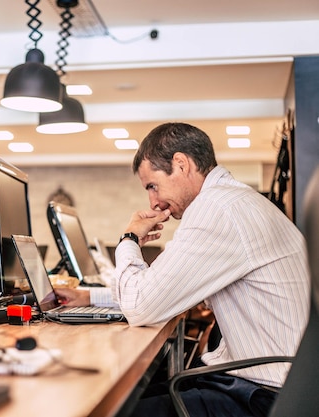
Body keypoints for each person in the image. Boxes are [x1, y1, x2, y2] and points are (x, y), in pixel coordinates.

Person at [54, 122, 311, 417]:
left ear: (181, 164)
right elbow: (165, 287)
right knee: (129, 396)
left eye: (152, 185)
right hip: (274, 383)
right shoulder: (232, 199)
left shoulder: (216, 209)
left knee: (109, 408)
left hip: (264, 398)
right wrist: (90, 298)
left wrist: (129, 239)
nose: (153, 201)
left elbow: (141, 305)